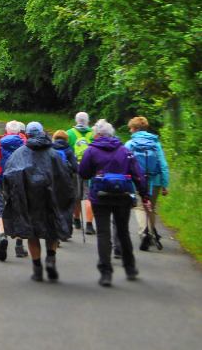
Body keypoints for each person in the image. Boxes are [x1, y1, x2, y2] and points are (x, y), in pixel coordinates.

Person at [78, 119, 150, 287]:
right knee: (123, 231)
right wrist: (144, 195)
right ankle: (130, 267)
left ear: (98, 134)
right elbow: (137, 174)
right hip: (123, 196)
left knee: (103, 233)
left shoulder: (91, 151)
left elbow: (84, 173)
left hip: (100, 196)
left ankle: (106, 272)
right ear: (112, 134)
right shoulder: (124, 150)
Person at [1, 122, 76, 282]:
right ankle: (50, 258)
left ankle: (37, 268)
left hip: (29, 201)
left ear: (26, 135)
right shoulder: (54, 154)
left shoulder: (19, 153)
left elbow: (8, 176)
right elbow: (65, 178)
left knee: (33, 233)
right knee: (52, 228)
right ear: (43, 133)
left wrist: (9, 196)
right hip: (51, 199)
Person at [125, 117, 170, 252]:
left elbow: (124, 163)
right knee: (151, 207)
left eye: (131, 128)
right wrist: (164, 184)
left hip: (137, 181)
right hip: (154, 180)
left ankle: (144, 233)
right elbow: (163, 165)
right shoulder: (156, 144)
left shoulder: (130, 144)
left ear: (135, 129)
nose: (130, 130)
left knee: (139, 207)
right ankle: (150, 234)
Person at [0, 121, 28, 261]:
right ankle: (19, 246)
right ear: (20, 131)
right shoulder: (25, 143)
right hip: (20, 181)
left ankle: (3, 235)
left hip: (3, 180)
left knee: (1, 209)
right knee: (20, 210)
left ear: (6, 130)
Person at [67, 112, 96, 235]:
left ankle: (77, 220)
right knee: (89, 196)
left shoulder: (69, 133)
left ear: (76, 120)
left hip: (75, 168)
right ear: (88, 121)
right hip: (91, 169)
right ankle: (89, 224)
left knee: (76, 196)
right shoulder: (93, 134)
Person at [51, 130, 80, 241]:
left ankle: (55, 232)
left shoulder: (50, 149)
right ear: (66, 139)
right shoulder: (69, 150)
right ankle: (66, 232)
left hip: (52, 181)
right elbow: (75, 168)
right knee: (67, 206)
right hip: (67, 182)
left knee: (54, 206)